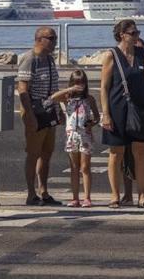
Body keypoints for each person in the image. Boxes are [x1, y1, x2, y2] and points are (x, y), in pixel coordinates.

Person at [100, 19, 144, 209]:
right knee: (116, 153)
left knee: (141, 152)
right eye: (133, 33)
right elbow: (104, 86)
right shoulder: (111, 55)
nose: (136, 36)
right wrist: (106, 113)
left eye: (137, 33)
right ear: (122, 35)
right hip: (118, 108)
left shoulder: (142, 53)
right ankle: (115, 195)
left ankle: (143, 196)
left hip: (140, 107)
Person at [17, 26, 62, 206]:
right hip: (35, 109)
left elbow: (53, 88)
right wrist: (29, 115)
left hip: (49, 109)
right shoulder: (30, 59)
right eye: (51, 38)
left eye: (55, 38)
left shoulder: (49, 59)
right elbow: (23, 89)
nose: (54, 42)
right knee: (33, 153)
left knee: (47, 152)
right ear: (39, 39)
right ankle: (31, 192)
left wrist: (59, 111)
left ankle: (44, 190)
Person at [50, 70, 99, 208]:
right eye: (76, 83)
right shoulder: (67, 98)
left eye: (82, 83)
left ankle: (87, 197)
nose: (79, 86)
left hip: (84, 134)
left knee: (85, 167)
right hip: (72, 134)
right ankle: (75, 197)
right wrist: (70, 89)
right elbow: (53, 97)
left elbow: (97, 116)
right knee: (73, 167)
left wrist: (92, 123)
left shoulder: (89, 99)